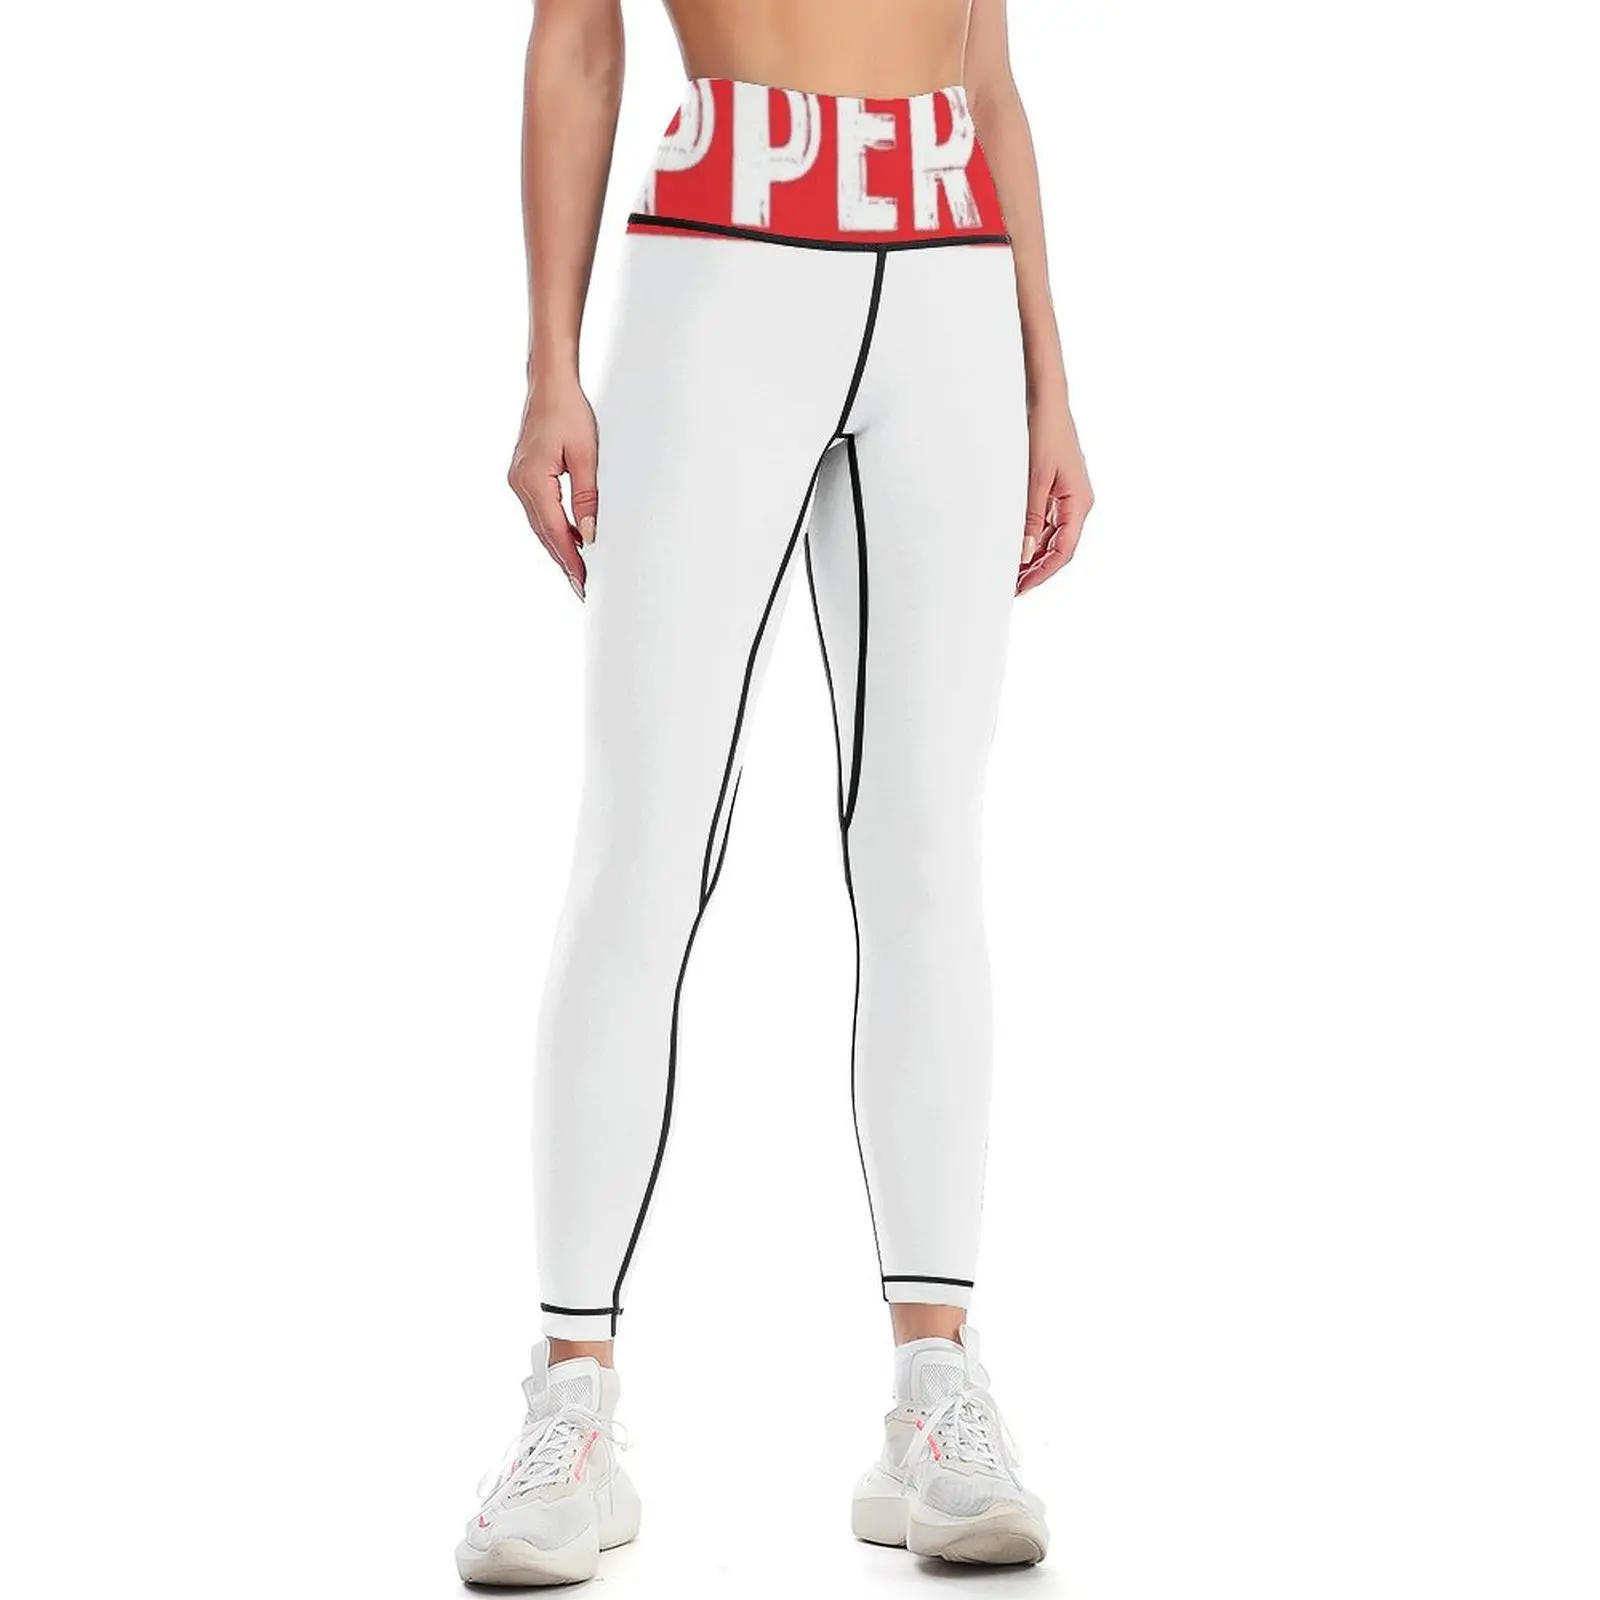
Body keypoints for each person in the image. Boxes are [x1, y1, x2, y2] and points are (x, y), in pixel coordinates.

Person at [457, 0, 1093, 1583]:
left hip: (946, 265)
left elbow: (987, 66)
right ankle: (571, 1403)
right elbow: (579, 40)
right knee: (646, 841)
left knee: (926, 846)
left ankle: (936, 1388)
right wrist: (550, 365)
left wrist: (1052, 381)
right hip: (723, 253)